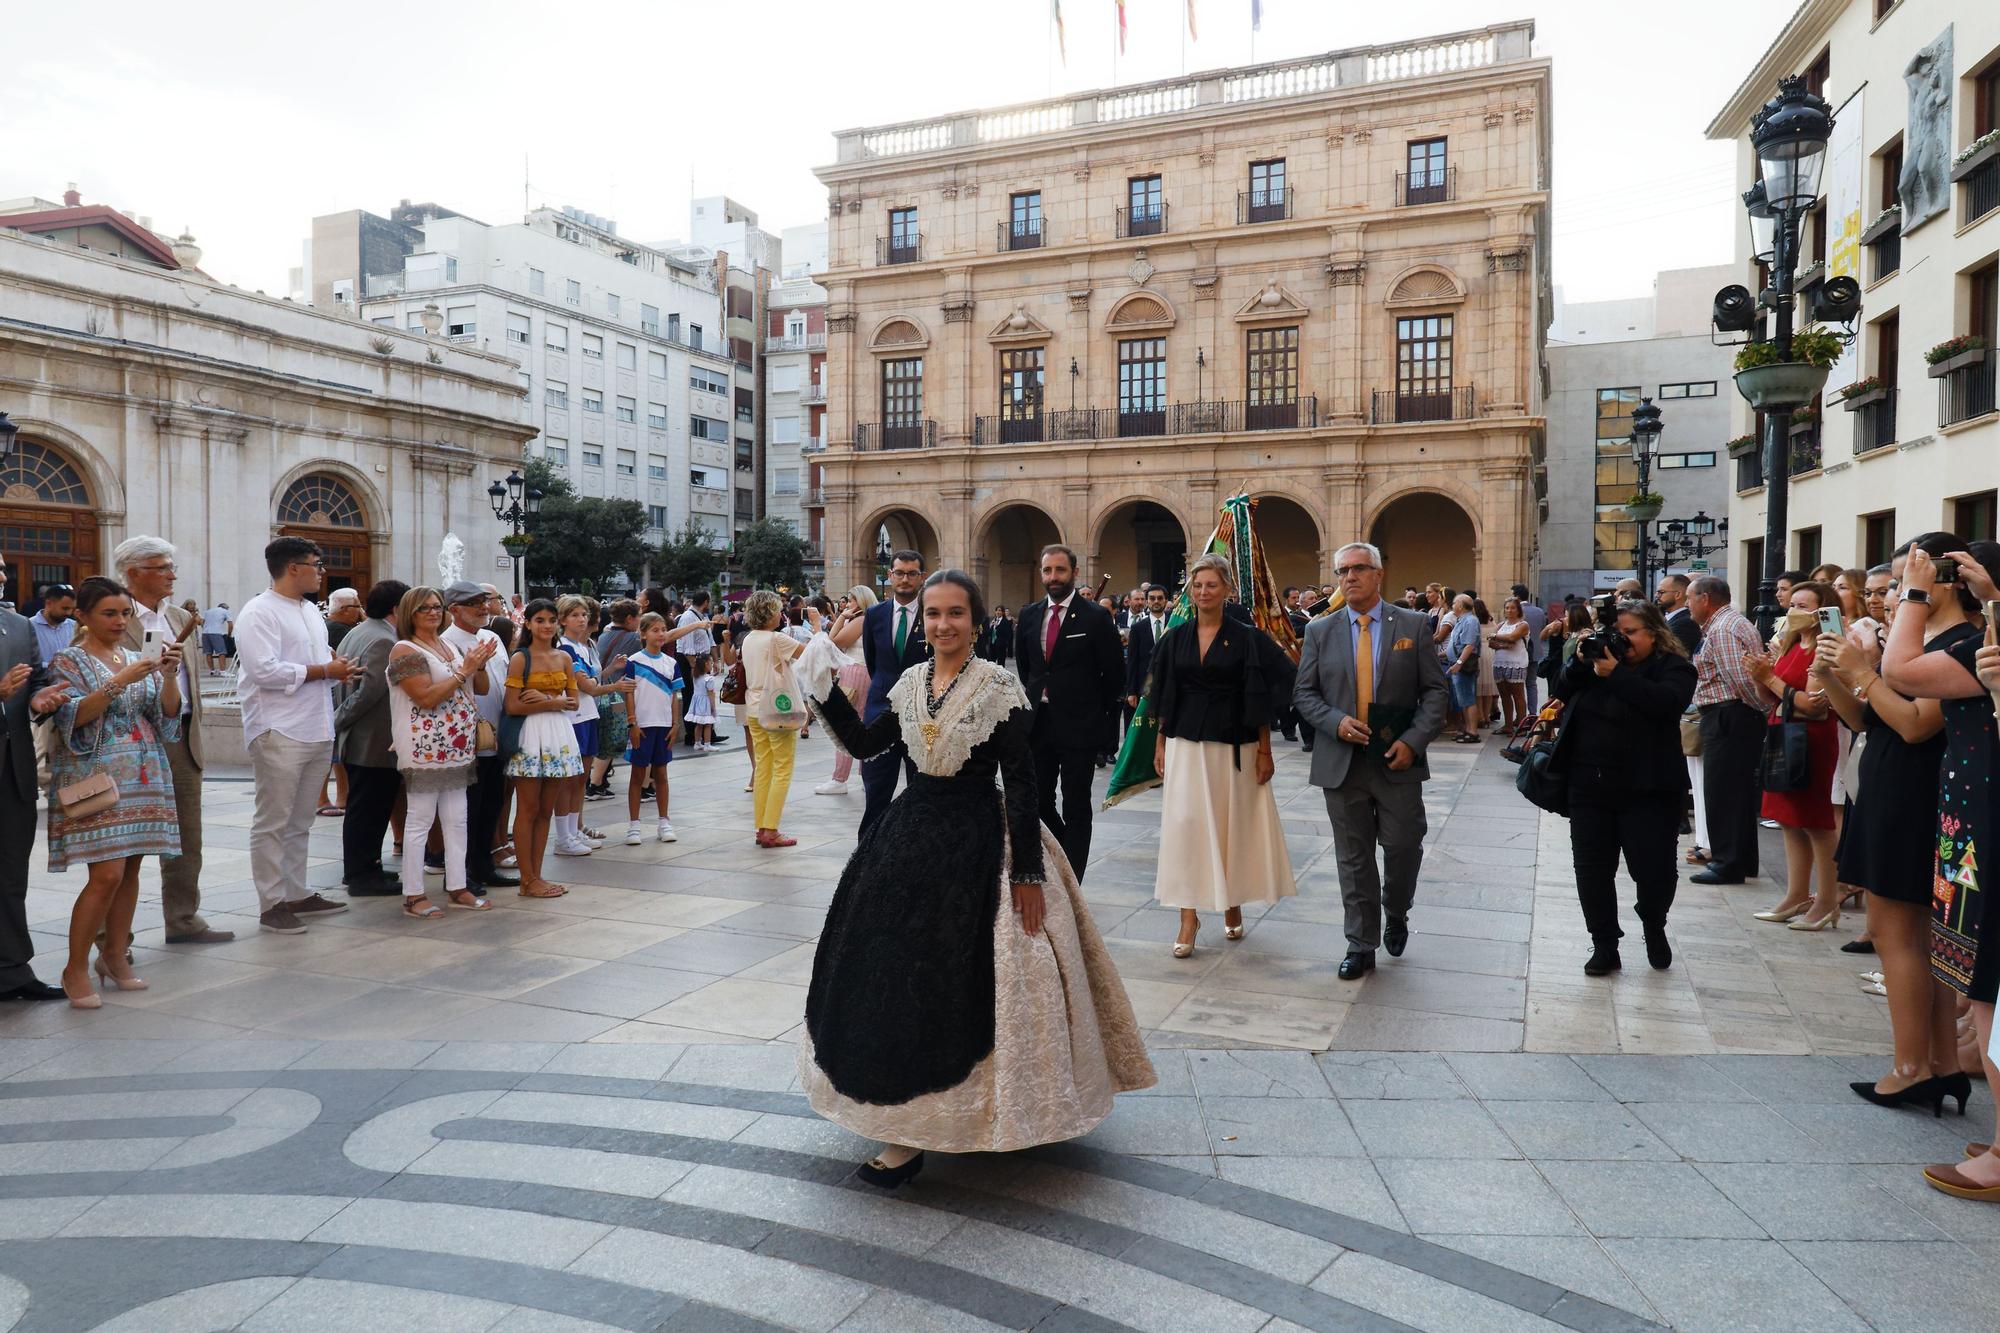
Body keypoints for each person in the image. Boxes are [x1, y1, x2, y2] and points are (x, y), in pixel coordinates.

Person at [798, 567, 1154, 1187]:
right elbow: (863, 744)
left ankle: (980, 1114)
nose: (941, 625)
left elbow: (1021, 783)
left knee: (962, 978)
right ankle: (900, 1124)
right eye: (933, 614)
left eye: (954, 613)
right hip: (907, 836)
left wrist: (1027, 873)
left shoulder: (999, 689)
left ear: (977, 619)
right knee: (888, 971)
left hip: (979, 842)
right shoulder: (909, 683)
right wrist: (823, 688)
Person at [1814, 543, 1969, 1112]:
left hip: (1915, 797)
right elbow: (1864, 718)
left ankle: (1914, 1068)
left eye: (1904, 585)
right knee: (1910, 937)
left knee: (1899, 934)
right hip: (1887, 791)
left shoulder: (1958, 644)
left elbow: (1915, 726)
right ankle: (1938, 1064)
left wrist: (1864, 672)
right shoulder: (1919, 643)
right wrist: (1834, 675)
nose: (1892, 599)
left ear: (1942, 585)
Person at [1884, 539, 2000, 1203]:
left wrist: (1919, 594)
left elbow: (1899, 670)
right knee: (1971, 975)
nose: (1899, 593)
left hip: (1983, 825)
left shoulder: (1971, 647)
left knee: (1984, 984)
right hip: (1967, 822)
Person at [1294, 541, 1449, 979]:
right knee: (1354, 856)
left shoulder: (1414, 625)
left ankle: (1396, 911)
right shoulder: (1320, 631)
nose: (1350, 577)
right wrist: (1335, 722)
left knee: (1402, 846)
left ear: (1379, 574)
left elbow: (1436, 692)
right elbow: (1304, 694)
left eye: (1359, 569)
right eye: (1343, 571)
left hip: (1397, 761)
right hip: (1342, 761)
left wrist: (1414, 740)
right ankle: (1360, 943)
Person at [44, 578, 186, 1007]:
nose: (119, 621)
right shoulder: (69, 659)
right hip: (97, 775)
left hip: (144, 774)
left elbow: (166, 716)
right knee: (105, 874)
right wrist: (120, 680)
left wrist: (168, 675)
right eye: (109, 613)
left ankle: (113, 957)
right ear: (82, 617)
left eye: (124, 613)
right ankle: (74, 967)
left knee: (130, 871)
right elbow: (73, 717)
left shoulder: (132, 654)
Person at [1148, 554, 1297, 957]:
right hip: (1184, 746)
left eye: (1211, 585)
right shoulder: (1174, 638)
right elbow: (1163, 694)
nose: (1203, 592)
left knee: (1231, 827)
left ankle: (1232, 902)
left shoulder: (1247, 636)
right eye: (1197, 586)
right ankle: (1187, 916)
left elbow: (1270, 687)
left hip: (1235, 746)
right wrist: (1160, 743)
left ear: (1228, 589)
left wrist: (1266, 751)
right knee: (1186, 829)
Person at [1548, 600, 1698, 975]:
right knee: (1591, 868)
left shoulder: (1673, 667)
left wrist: (1615, 674)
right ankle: (1604, 944)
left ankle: (1653, 922)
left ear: (1655, 633)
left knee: (1654, 870)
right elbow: (1560, 688)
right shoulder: (1597, 663)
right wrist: (1578, 662)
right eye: (1618, 633)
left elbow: (1665, 703)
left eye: (1631, 633)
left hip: (1649, 787)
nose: (1623, 640)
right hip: (1589, 782)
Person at [234, 537, 358, 934]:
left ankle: (297, 891)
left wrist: (335, 665)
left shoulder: (309, 611)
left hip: (315, 724)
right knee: (273, 819)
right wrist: (324, 671)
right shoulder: (259, 612)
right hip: (278, 727)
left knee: (301, 818)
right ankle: (271, 902)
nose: (321, 571)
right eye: (316, 564)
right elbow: (263, 671)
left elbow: (313, 662)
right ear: (292, 568)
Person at [111, 536, 232, 944]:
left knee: (187, 837)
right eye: (162, 568)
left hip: (179, 735)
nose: (172, 575)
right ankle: (113, 936)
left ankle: (183, 919)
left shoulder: (181, 616)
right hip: (132, 740)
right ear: (132, 574)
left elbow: (190, 679)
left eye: (170, 567)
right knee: (125, 843)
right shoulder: (112, 616)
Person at [1014, 544, 1125, 880]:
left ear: (1074, 573)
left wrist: (1103, 722)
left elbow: (1114, 675)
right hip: (1039, 726)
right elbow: (1025, 668)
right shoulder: (1031, 615)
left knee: (1076, 804)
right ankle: (1062, 853)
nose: (1053, 577)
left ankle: (1073, 878)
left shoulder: (1094, 616)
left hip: (1080, 726)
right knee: (1040, 802)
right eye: (1047, 571)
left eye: (1060, 570)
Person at [386, 586, 491, 918]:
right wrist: (464, 670)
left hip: (456, 744)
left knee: (457, 818)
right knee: (420, 819)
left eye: (436, 607)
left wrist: (479, 664)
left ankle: (458, 886)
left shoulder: (449, 644)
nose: (433, 612)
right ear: (409, 614)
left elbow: (481, 688)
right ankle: (413, 894)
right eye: (424, 608)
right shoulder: (404, 650)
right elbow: (426, 697)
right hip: (423, 746)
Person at [1746, 581, 1843, 929]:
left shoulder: (1824, 648)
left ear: (1821, 612)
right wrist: (1760, 675)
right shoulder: (1790, 643)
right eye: (1793, 604)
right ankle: (1797, 894)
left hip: (1810, 738)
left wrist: (1770, 679)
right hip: (1782, 731)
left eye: (1803, 606)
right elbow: (1775, 696)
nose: (1794, 611)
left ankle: (1828, 900)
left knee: (1815, 822)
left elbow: (1812, 706)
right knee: (1787, 818)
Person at [0, 556, 72, 1002]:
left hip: (13, 771)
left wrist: (41, 697)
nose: (3, 576)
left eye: (3, 568)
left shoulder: (18, 627)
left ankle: (12, 969)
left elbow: (34, 687)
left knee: (10, 875)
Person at [1686, 576, 1776, 886]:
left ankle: (1728, 862)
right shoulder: (1731, 624)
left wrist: (1759, 709)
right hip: (1733, 716)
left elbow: (1741, 681)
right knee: (1734, 793)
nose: (1687, 605)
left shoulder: (1723, 629)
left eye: (1690, 599)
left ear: (1706, 599)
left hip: (1729, 716)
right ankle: (1739, 859)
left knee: (1723, 792)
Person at [333, 580, 410, 896]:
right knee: (369, 808)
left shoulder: (360, 631)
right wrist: (338, 720)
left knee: (366, 806)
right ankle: (362, 873)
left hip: (364, 739)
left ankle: (367, 867)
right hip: (373, 740)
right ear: (397, 608)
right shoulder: (383, 641)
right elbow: (369, 692)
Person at [440, 582, 516, 891]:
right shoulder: (446, 643)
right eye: (474, 603)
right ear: (454, 609)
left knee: (491, 804)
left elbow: (503, 680)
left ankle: (484, 865)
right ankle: (460, 873)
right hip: (466, 739)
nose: (483, 607)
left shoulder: (492, 636)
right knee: (465, 811)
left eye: (486, 601)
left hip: (495, 735)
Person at [504, 599, 582, 899]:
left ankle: (536, 876)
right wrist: (552, 702)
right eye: (539, 620)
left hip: (557, 734)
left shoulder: (564, 657)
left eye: (551, 620)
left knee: (546, 810)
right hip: (530, 735)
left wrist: (545, 700)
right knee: (528, 808)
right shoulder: (520, 658)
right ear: (528, 623)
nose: (546, 625)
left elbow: (573, 701)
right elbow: (511, 705)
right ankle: (527, 878)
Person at [551, 594, 633, 858]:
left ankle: (573, 831)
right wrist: (615, 686)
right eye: (575, 615)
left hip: (587, 715)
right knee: (569, 780)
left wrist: (609, 671)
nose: (581, 619)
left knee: (580, 779)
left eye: (584, 614)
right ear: (562, 619)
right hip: (572, 718)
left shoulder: (585, 647)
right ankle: (563, 836)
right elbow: (584, 686)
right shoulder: (565, 648)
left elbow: (591, 680)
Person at [859, 550, 930, 837]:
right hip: (880, 714)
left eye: (912, 573)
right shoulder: (874, 615)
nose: (905, 579)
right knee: (876, 791)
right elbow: (873, 661)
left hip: (922, 715)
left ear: (922, 577)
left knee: (921, 793)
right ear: (890, 576)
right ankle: (865, 856)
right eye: (899, 573)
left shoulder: (932, 614)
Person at [742, 589, 805, 848]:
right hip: (776, 708)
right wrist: (818, 628)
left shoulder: (749, 638)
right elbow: (811, 654)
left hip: (754, 708)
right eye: (778, 609)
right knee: (782, 768)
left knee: (763, 768)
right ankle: (771, 829)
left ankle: (761, 827)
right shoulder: (776, 639)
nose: (782, 613)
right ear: (769, 613)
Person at [622, 612, 682, 845]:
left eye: (663, 629)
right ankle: (634, 825)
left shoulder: (671, 663)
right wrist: (632, 722)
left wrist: (675, 724)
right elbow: (629, 693)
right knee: (638, 774)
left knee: (661, 774)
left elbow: (675, 696)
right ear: (643, 633)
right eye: (655, 630)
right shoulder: (634, 661)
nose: (660, 634)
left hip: (664, 726)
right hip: (642, 726)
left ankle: (664, 822)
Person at [813, 588, 876, 794]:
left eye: (850, 600)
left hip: (855, 672)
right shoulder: (867, 619)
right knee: (863, 724)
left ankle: (839, 779)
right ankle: (865, 775)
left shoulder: (861, 620)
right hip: (861, 671)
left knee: (847, 726)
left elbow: (834, 641)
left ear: (861, 601)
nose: (846, 604)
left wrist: (841, 617)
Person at [587, 599, 642, 801]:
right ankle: (594, 783)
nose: (639, 620)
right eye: (638, 616)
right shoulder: (633, 639)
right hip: (616, 693)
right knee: (612, 738)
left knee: (604, 736)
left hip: (600, 691)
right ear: (629, 618)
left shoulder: (603, 635)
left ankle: (598, 782)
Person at [675, 591, 721, 745]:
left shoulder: (703, 617)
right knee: (691, 696)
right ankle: (692, 734)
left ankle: (709, 733)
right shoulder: (688, 617)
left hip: (702, 660)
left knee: (705, 696)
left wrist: (715, 660)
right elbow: (687, 645)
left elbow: (711, 640)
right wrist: (694, 667)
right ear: (706, 602)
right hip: (690, 660)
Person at [1125, 582, 1171, 731]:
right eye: (1152, 598)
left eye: (1160, 598)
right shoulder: (1138, 628)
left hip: (1170, 683)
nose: (1156, 601)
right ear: (1146, 601)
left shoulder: (1175, 624)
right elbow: (1132, 660)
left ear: (1165, 600)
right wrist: (1131, 691)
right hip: (1144, 685)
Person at [1489, 597, 1532, 731]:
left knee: (1518, 695)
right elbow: (1491, 643)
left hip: (1516, 662)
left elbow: (1513, 637)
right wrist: (1503, 644)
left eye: (1513, 607)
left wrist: (1495, 637)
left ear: (1518, 609)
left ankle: (1521, 725)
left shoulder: (1523, 624)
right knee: (1504, 695)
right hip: (1500, 662)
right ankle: (1507, 725)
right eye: (1507, 608)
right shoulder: (1501, 625)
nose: (1509, 610)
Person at [1443, 593, 1482, 741]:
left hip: (1464, 666)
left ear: (1460, 605)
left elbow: (1470, 645)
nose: (1452, 606)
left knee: (1467, 698)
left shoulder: (1470, 621)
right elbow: (1455, 644)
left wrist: (1459, 663)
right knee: (1463, 699)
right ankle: (1467, 729)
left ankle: (1473, 732)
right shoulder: (1461, 620)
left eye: (1454, 603)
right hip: (1456, 663)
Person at [1510, 583, 1548, 713]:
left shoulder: (1514, 612)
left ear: (1517, 597)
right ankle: (1532, 713)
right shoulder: (1539, 611)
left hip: (1517, 654)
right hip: (1535, 653)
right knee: (1531, 684)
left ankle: (1519, 716)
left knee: (1516, 686)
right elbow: (1542, 629)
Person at [28, 584, 74, 665]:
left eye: (72, 609)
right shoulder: (29, 626)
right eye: (65, 608)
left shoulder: (73, 626)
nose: (69, 613)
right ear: (48, 603)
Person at [1656, 574, 1702, 655]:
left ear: (1678, 595)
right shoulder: (1669, 619)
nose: (1656, 595)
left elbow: (1667, 655)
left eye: (1661, 592)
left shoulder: (1685, 623)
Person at [199, 601, 232, 674]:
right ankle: (223, 671)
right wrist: (229, 635)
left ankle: (212, 670)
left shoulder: (208, 611)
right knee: (222, 652)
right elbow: (230, 625)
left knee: (208, 653)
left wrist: (205, 628)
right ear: (226, 608)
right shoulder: (225, 611)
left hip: (205, 633)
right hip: (216, 633)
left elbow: (202, 622)